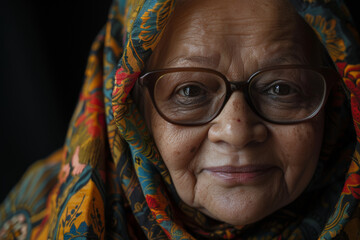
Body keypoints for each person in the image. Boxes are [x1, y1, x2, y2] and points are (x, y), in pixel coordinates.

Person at [1, 0, 360, 239]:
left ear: (337, 94)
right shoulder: (33, 215)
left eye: (281, 88)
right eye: (189, 91)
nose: (235, 132)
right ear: (132, 109)